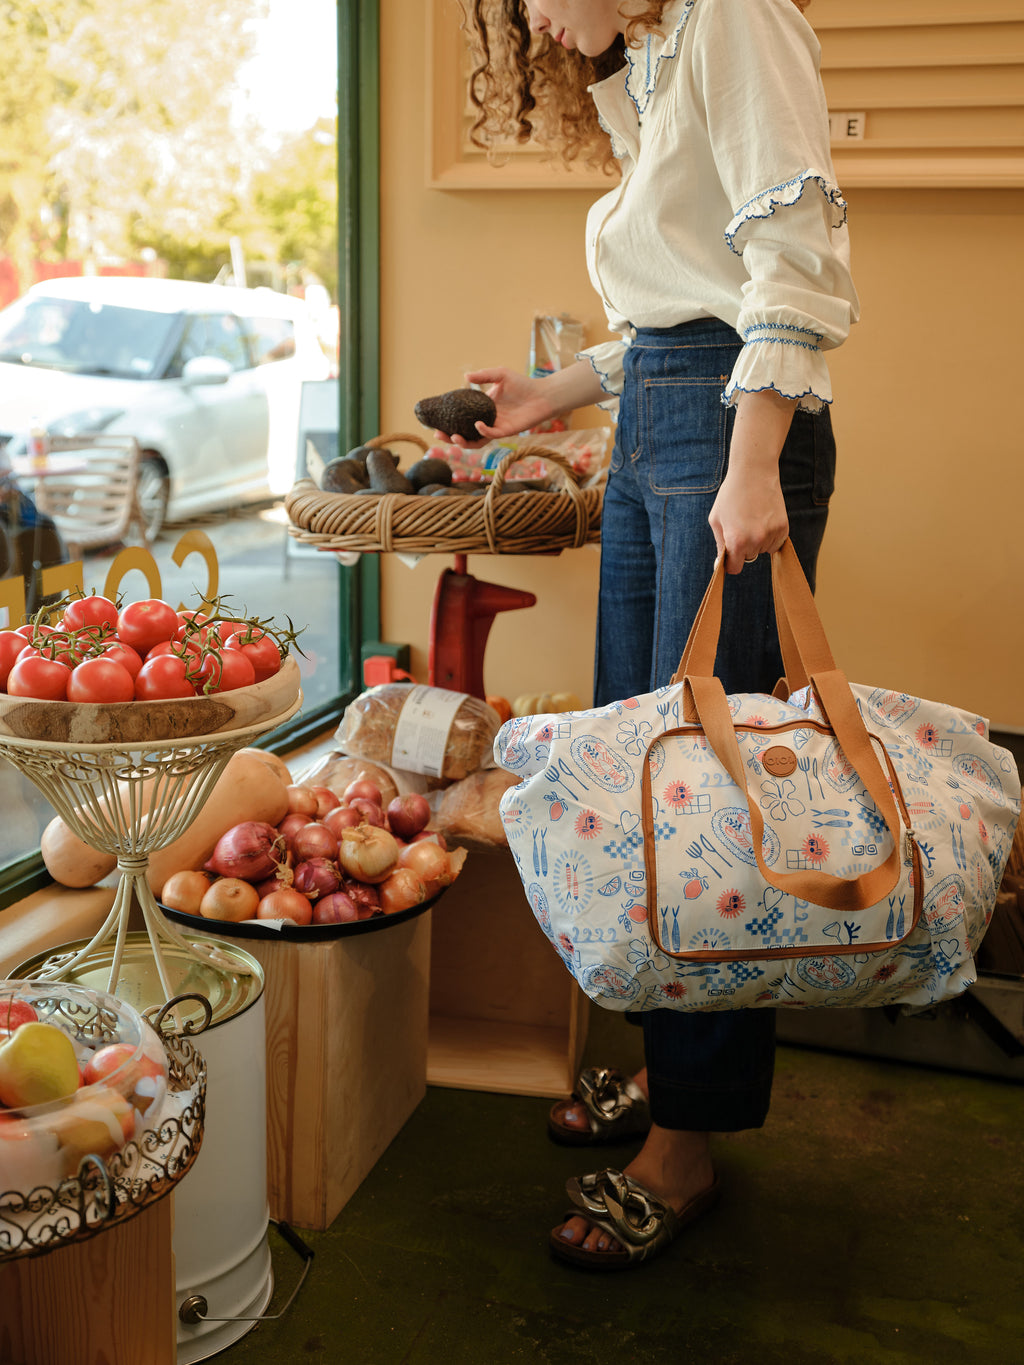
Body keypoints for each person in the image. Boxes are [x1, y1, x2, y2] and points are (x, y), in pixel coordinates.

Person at [446, 0, 859, 1269]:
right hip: (667, 430)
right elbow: (672, 317)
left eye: (539, 4)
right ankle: (669, 1077)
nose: (545, 31)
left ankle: (685, 1147)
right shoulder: (661, 58)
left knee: (708, 799)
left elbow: (793, 252)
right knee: (645, 784)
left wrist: (751, 471)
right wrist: (544, 398)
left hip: (728, 440)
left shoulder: (738, 17)